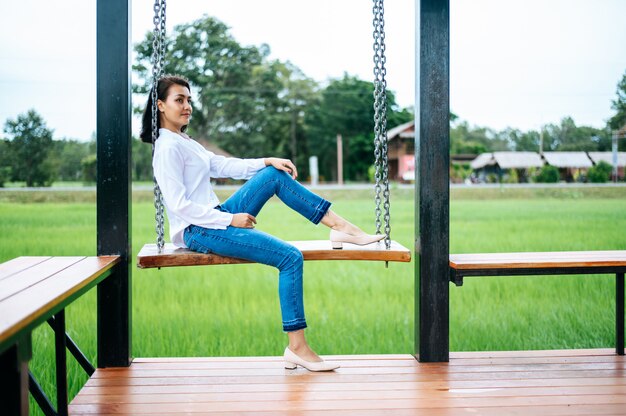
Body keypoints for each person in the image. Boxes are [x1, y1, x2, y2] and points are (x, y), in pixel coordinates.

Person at [141, 75, 384, 372]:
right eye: (180, 100)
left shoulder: (184, 141)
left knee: (273, 175)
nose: (187, 106)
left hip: (214, 217)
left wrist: (266, 160)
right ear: (161, 105)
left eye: (189, 99)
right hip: (200, 229)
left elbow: (223, 165)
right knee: (290, 257)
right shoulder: (166, 148)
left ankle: (340, 226)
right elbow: (179, 206)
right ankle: (297, 348)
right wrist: (230, 219)